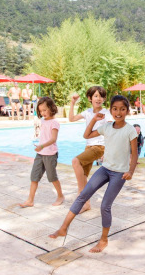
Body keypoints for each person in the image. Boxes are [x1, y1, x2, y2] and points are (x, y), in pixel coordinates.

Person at [49, 95, 138, 253]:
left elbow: (134, 153)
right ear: (111, 110)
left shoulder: (130, 130)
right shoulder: (107, 127)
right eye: (115, 109)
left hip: (119, 174)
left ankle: (103, 240)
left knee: (105, 206)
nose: (118, 112)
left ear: (127, 111)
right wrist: (95, 119)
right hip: (105, 169)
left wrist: (130, 171)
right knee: (83, 195)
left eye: (122, 109)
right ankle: (63, 228)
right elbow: (87, 135)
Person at [68, 87, 112, 213]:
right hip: (89, 146)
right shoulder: (87, 112)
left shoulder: (106, 113)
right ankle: (86, 204)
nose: (99, 99)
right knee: (83, 175)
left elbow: (110, 131)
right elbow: (71, 119)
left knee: (75, 161)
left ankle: (80, 197)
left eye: (101, 96)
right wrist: (72, 103)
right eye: (96, 96)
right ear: (90, 98)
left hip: (99, 147)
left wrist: (108, 150)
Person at [19, 97, 64, 207]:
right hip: (40, 153)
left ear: (51, 108)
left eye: (44, 110)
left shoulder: (54, 123)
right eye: (40, 111)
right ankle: (30, 200)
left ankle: (60, 196)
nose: (42, 113)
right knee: (34, 176)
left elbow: (53, 139)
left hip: (50, 154)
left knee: (52, 177)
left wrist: (42, 146)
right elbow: (44, 136)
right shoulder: (43, 121)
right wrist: (39, 145)